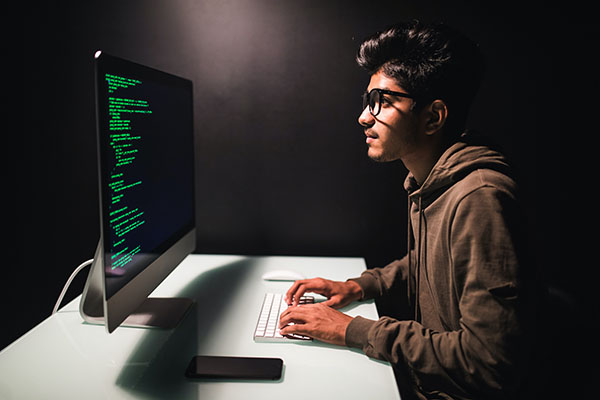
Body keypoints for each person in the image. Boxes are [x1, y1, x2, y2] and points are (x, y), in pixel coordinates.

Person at [280, 21, 533, 399]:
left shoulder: (479, 198)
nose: (364, 117)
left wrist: (352, 330)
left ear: (433, 117)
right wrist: (359, 285)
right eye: (368, 101)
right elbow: (429, 265)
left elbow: (487, 360)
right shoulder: (429, 183)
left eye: (381, 102)